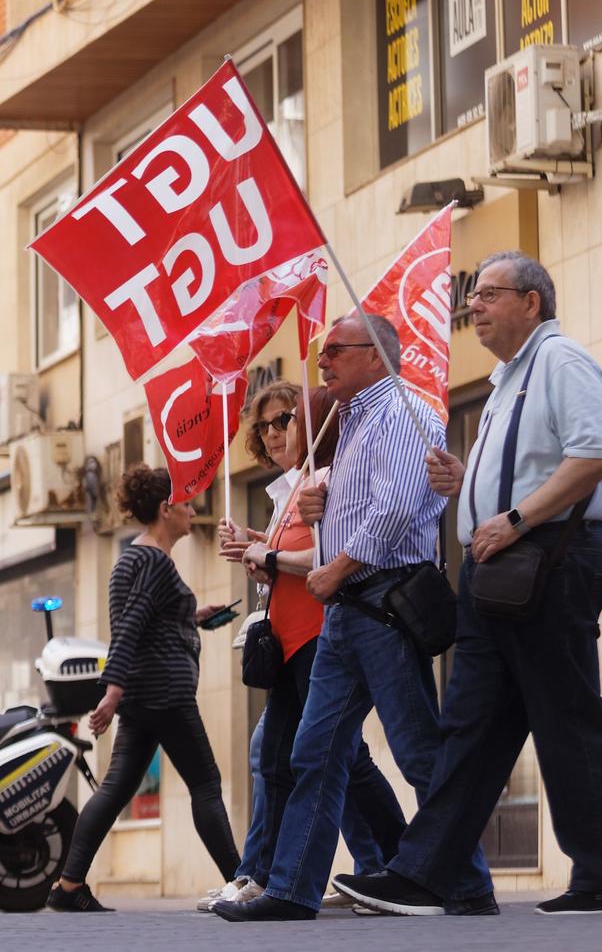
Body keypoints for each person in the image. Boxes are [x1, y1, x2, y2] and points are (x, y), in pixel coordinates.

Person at [337, 254, 602, 917]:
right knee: (468, 728)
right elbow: (520, 468)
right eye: (474, 296)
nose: (473, 305)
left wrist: (513, 517)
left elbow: (594, 453)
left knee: (566, 719)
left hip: (548, 561)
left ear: (532, 303)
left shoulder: (561, 360)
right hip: (497, 572)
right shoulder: (506, 378)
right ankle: (425, 873)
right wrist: (462, 481)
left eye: (491, 294)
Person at [219, 312, 485, 923]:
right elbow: (367, 501)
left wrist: (336, 566)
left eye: (335, 351)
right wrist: (319, 503)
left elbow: (393, 510)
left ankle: (468, 883)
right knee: (314, 751)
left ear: (374, 355)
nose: (323, 362)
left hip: (382, 603)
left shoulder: (399, 413)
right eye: (323, 352)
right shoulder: (356, 421)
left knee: (417, 750)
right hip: (348, 612)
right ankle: (291, 890)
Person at [216, 383, 401, 909]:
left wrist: (266, 555)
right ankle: (380, 867)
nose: (274, 432)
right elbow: (289, 557)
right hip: (290, 640)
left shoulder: (325, 479)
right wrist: (259, 548)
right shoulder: (289, 490)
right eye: (265, 425)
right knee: (311, 758)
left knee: (311, 758)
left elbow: (331, 553)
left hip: (322, 635)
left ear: (314, 420)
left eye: (286, 419)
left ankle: (283, 878)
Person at [50, 466, 240, 913]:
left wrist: (192, 616)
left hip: (142, 692)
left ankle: (69, 885)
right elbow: (131, 626)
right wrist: (111, 693)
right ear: (165, 508)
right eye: (187, 504)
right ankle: (242, 881)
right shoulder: (154, 560)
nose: (193, 511)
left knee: (116, 787)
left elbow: (146, 619)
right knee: (207, 784)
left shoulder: (132, 558)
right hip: (164, 692)